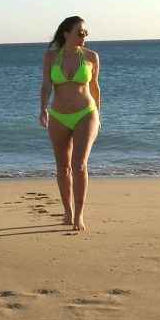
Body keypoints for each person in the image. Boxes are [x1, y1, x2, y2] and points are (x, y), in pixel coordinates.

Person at [39, 16, 101, 232]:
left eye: (86, 33)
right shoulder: (51, 57)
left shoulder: (91, 57)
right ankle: (68, 211)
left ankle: (79, 215)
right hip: (58, 116)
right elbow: (46, 85)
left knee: (79, 165)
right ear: (66, 33)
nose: (84, 36)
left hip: (86, 113)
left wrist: (99, 115)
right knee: (63, 167)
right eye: (80, 32)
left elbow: (95, 87)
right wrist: (42, 109)